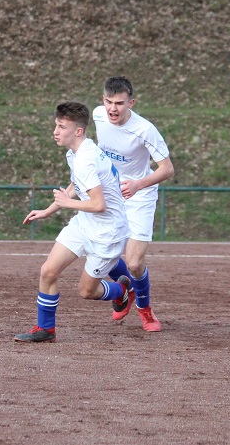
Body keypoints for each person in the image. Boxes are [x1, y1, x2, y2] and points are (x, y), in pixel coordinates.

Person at [14, 101, 131, 343]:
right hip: (85, 222)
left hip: (107, 233)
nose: (55, 131)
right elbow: (78, 184)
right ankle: (46, 329)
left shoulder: (85, 159)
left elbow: (99, 204)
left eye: (61, 127)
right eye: (56, 125)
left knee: (86, 291)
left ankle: (121, 290)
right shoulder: (78, 152)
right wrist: (49, 210)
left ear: (78, 131)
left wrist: (66, 204)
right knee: (48, 271)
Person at [93, 76, 173, 332]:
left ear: (131, 103)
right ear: (102, 100)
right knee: (95, 249)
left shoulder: (145, 129)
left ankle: (145, 310)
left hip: (140, 194)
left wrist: (139, 184)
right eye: (108, 102)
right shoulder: (97, 116)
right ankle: (122, 291)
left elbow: (167, 169)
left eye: (119, 103)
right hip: (110, 192)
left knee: (135, 263)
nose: (112, 109)